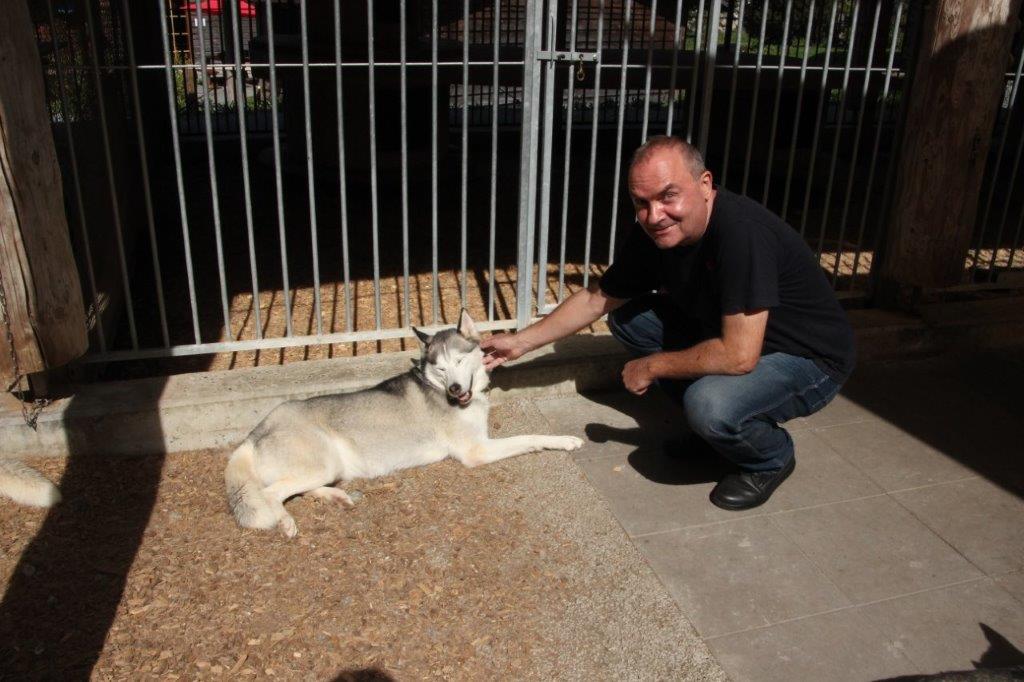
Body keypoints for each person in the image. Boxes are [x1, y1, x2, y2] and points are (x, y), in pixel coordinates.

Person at [482, 135, 855, 510]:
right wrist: (519, 342)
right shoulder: (656, 232)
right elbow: (598, 298)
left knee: (709, 405)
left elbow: (739, 356)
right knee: (629, 318)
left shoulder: (741, 233)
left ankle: (769, 457)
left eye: (668, 196)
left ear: (705, 184)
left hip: (808, 359)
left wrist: (653, 365)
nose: (654, 215)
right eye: (641, 203)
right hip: (733, 338)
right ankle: (713, 434)